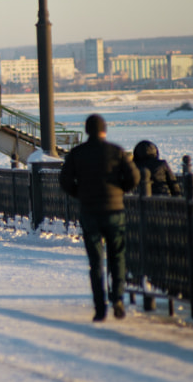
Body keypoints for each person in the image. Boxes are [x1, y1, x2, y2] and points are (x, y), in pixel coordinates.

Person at [59, 114, 140, 322]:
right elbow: (134, 177)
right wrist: (119, 191)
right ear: (104, 130)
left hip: (90, 212)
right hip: (114, 212)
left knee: (96, 262)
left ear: (87, 131)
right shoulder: (116, 151)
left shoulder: (77, 153)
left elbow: (65, 180)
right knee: (117, 256)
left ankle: (100, 307)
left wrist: (80, 194)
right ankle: (118, 299)